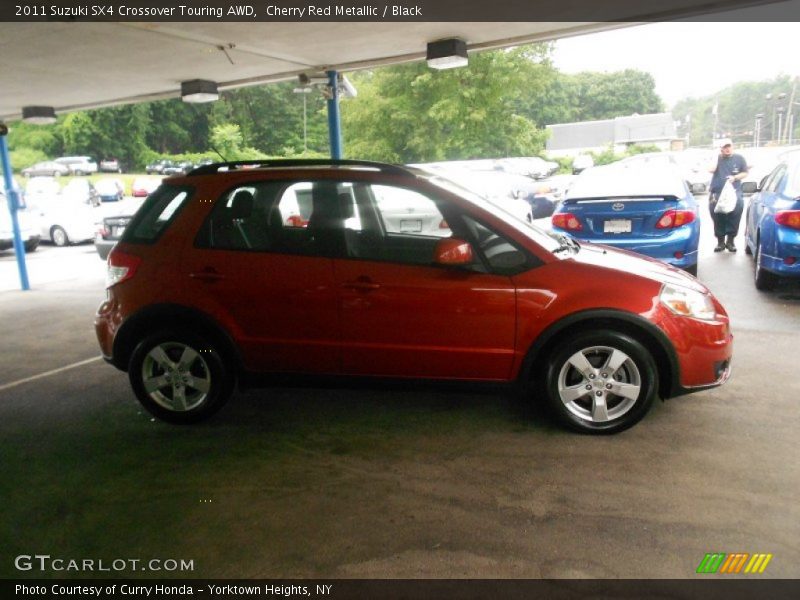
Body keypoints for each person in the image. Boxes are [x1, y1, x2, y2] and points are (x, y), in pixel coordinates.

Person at [708, 138, 749, 252]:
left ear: (732, 146)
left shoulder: (739, 158)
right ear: (720, 148)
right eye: (724, 147)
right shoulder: (717, 159)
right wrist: (716, 156)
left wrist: (735, 178)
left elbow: (745, 172)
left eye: (729, 146)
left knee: (735, 214)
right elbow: (711, 169)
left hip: (734, 192)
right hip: (717, 192)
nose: (727, 149)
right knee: (717, 216)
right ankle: (720, 242)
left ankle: (730, 241)